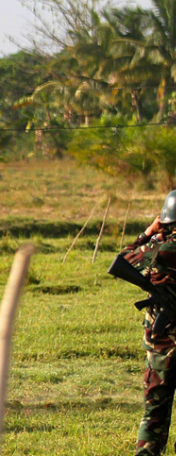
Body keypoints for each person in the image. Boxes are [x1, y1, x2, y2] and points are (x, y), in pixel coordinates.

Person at [118, 190, 176, 456]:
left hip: (162, 343)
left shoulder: (156, 249)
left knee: (155, 410)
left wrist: (149, 232)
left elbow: (125, 256)